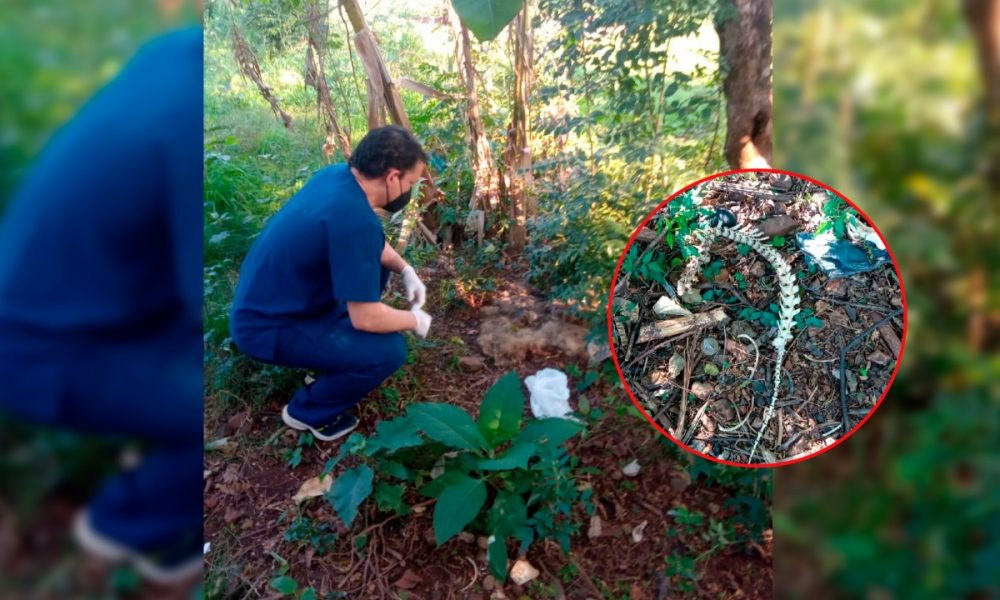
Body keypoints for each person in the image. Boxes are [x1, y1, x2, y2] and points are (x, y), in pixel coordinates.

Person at [0, 27, 203, 584]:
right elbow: (203, 299)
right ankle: (129, 521)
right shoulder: (189, 109)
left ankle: (146, 438)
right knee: (213, 392)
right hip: (47, 352)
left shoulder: (177, 54)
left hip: (78, 311)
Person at [231, 125, 433, 442]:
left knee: (378, 270)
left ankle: (332, 355)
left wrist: (406, 269)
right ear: (393, 177)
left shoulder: (337, 177)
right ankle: (306, 412)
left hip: (277, 300)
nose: (410, 191)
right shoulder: (354, 219)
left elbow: (370, 247)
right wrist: (414, 319)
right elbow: (366, 318)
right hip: (267, 328)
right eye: (410, 183)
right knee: (389, 349)